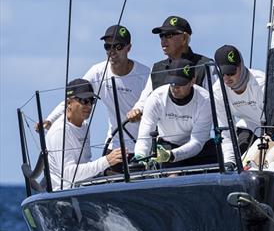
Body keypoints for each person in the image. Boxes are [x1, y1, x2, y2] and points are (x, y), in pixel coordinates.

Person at [39, 24, 148, 154]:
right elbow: (74, 97)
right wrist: (50, 120)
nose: (112, 51)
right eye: (108, 47)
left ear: (128, 48)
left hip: (144, 143)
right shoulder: (98, 72)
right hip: (115, 145)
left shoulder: (145, 74)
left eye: (117, 46)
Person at [127, 15, 214, 123]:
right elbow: (145, 100)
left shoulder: (206, 66)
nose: (163, 40)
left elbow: (217, 104)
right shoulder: (157, 69)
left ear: (184, 38)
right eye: (161, 36)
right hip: (164, 137)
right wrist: (137, 110)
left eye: (169, 35)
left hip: (197, 135)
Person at [133, 57, 216, 167]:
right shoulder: (155, 98)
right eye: (172, 83)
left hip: (199, 149)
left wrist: (172, 155)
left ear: (193, 81)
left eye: (180, 84)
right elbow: (144, 136)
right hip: (167, 147)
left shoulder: (205, 100)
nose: (175, 88)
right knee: (173, 176)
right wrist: (140, 156)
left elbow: (197, 143)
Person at [45, 79, 124, 190]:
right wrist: (106, 161)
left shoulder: (84, 125)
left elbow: (85, 162)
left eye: (92, 101)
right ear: (69, 103)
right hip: (65, 193)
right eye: (84, 101)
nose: (89, 106)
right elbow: (68, 175)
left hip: (84, 186)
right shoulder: (59, 131)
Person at [211, 44, 266, 165]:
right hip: (249, 128)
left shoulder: (260, 83)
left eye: (230, 72)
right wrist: (229, 162)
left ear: (241, 65)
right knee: (238, 162)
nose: (226, 79)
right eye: (221, 73)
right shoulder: (218, 91)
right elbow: (226, 133)